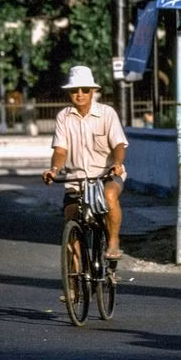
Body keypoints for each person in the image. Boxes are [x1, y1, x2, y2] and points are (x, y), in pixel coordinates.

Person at [42, 66, 128, 259]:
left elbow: (119, 144)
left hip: (106, 175)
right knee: (71, 215)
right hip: (77, 178)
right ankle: (75, 268)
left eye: (85, 90)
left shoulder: (107, 113)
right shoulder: (64, 117)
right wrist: (54, 170)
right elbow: (60, 150)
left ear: (92, 91)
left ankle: (114, 241)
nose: (79, 94)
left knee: (109, 196)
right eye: (74, 90)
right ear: (69, 93)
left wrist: (117, 163)